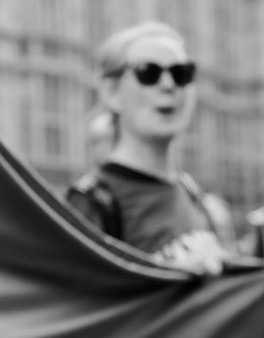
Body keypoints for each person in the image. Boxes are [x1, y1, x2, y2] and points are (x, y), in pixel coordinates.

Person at [64, 21, 225, 273]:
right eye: (148, 73)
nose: (168, 85)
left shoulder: (193, 196)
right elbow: (79, 305)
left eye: (181, 73)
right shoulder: (92, 204)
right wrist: (161, 277)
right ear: (111, 92)